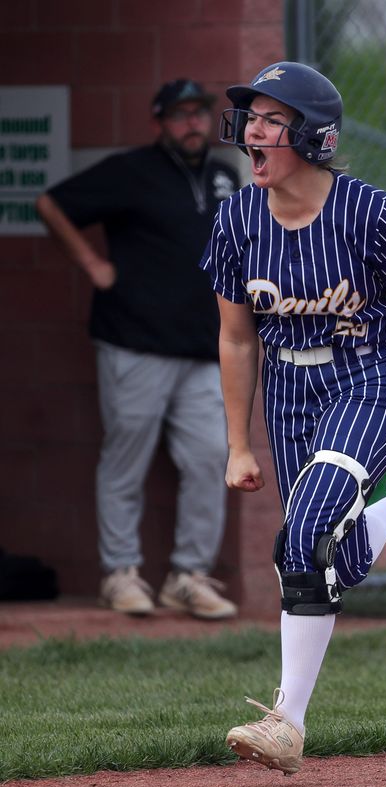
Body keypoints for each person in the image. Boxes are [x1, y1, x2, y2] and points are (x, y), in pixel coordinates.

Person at [200, 61, 386, 773]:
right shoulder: (237, 219)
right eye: (252, 118)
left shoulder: (370, 214)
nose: (254, 131)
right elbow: (237, 338)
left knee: (304, 533)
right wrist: (238, 444)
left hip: (371, 379)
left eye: (273, 119)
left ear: (314, 137)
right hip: (289, 396)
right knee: (323, 554)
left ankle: (285, 723)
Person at [37, 78, 240, 620]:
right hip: (134, 343)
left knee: (208, 458)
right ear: (160, 123)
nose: (192, 123)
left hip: (203, 350)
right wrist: (92, 265)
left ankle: (188, 576)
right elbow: (51, 203)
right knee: (125, 457)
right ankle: (120, 573)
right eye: (180, 115)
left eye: (200, 113)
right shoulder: (131, 170)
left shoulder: (225, 176)